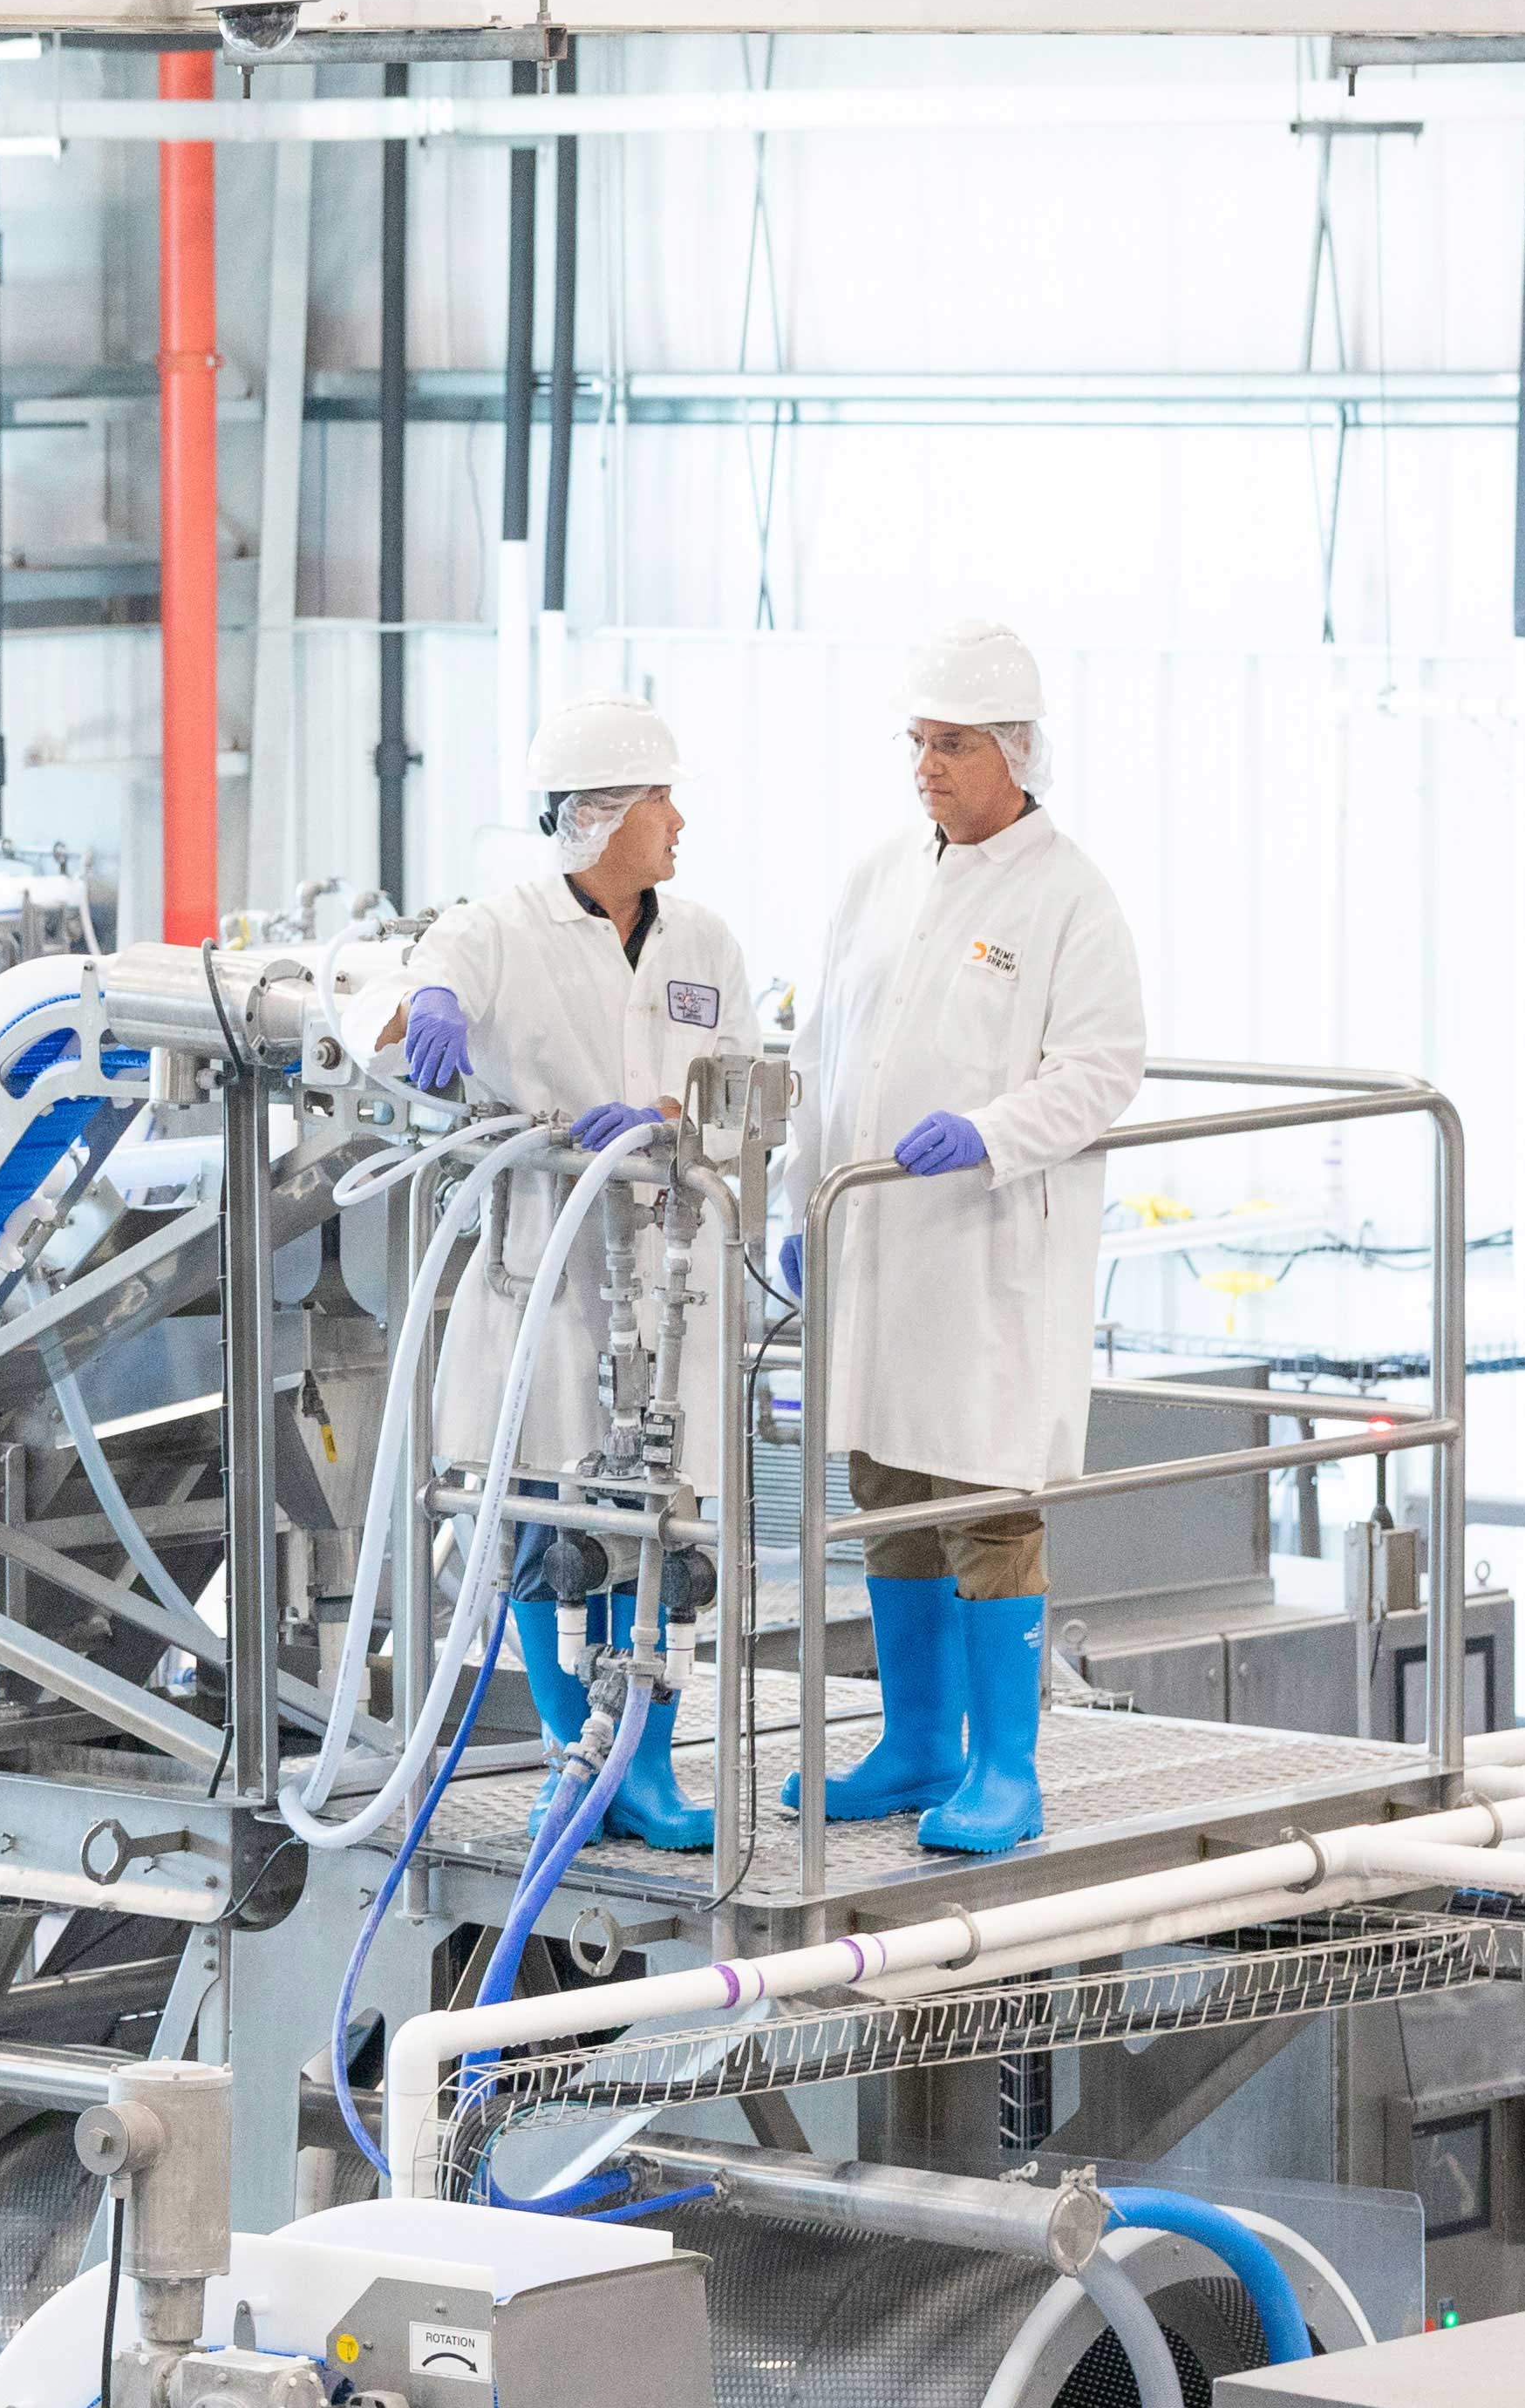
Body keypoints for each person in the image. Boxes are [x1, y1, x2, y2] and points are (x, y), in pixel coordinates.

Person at [785, 625, 1147, 1860]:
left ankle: (1007, 1768)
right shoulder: (881, 876)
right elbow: (819, 1054)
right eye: (919, 743)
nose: (927, 766)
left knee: (989, 1497)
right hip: (877, 1237)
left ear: (1017, 753)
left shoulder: (1069, 897)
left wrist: (991, 1134)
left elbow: (1103, 1070)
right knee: (888, 1481)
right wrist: (799, 1209)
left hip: (988, 1244)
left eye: (952, 745)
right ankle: (918, 1742)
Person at [387, 697, 752, 1848]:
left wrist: (668, 1123)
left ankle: (642, 1769)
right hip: (543, 1273)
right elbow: (399, 1008)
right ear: (599, 820)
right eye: (660, 801)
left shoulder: (706, 944)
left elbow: (743, 1097)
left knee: (665, 1534)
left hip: (673, 1270)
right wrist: (428, 1008)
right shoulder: (495, 932)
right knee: (549, 1524)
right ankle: (570, 1760)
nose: (680, 822)